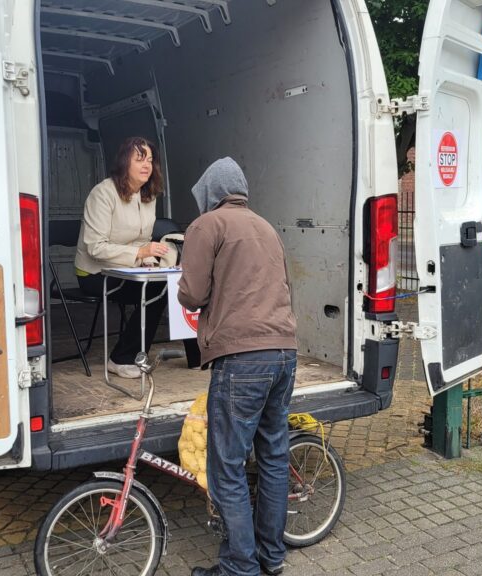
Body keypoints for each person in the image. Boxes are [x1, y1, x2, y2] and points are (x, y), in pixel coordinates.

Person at [178, 158, 298, 576]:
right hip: (284, 352)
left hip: (242, 359)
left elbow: (192, 295)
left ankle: (238, 568)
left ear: (209, 194)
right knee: (273, 457)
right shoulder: (267, 227)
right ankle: (271, 557)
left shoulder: (206, 225)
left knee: (227, 467)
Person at [75, 136, 198, 378]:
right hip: (94, 273)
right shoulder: (103, 193)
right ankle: (121, 359)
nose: (147, 165)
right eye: (140, 159)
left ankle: (198, 357)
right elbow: (94, 247)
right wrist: (139, 253)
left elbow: (142, 239)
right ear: (124, 162)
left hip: (130, 269)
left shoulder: (148, 195)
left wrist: (149, 260)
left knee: (176, 283)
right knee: (154, 290)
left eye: (150, 160)